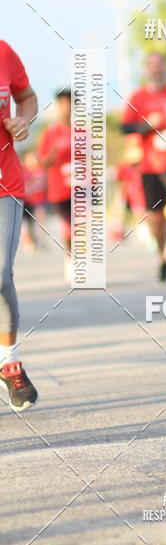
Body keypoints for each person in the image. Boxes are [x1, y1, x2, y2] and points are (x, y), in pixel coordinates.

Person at [121, 52, 166, 284]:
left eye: (160, 65)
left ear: (165, 68)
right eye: (152, 66)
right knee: (158, 219)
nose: (156, 70)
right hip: (151, 166)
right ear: (146, 70)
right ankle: (163, 257)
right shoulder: (138, 97)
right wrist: (146, 126)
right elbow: (125, 128)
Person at [0, 40, 39, 411]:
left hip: (4, 184)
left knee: (0, 274)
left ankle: (9, 361)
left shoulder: (4, 52)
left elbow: (26, 97)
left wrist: (22, 120)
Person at [37, 88, 72, 281]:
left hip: (82, 186)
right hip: (60, 189)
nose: (67, 107)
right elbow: (41, 160)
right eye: (63, 104)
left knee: (83, 226)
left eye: (70, 103)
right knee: (69, 227)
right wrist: (52, 155)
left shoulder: (83, 131)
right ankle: (70, 257)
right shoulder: (50, 133)